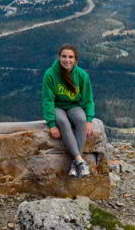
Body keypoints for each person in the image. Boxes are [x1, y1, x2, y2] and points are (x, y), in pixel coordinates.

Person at [41, 44, 95, 178]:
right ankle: (79, 160)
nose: (67, 60)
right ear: (59, 58)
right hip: (57, 106)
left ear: (75, 59)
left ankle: (75, 164)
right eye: (64, 56)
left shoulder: (82, 75)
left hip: (74, 105)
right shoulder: (50, 74)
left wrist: (89, 119)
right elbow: (47, 100)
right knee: (63, 122)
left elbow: (88, 98)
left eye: (70, 57)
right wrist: (52, 124)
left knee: (80, 120)